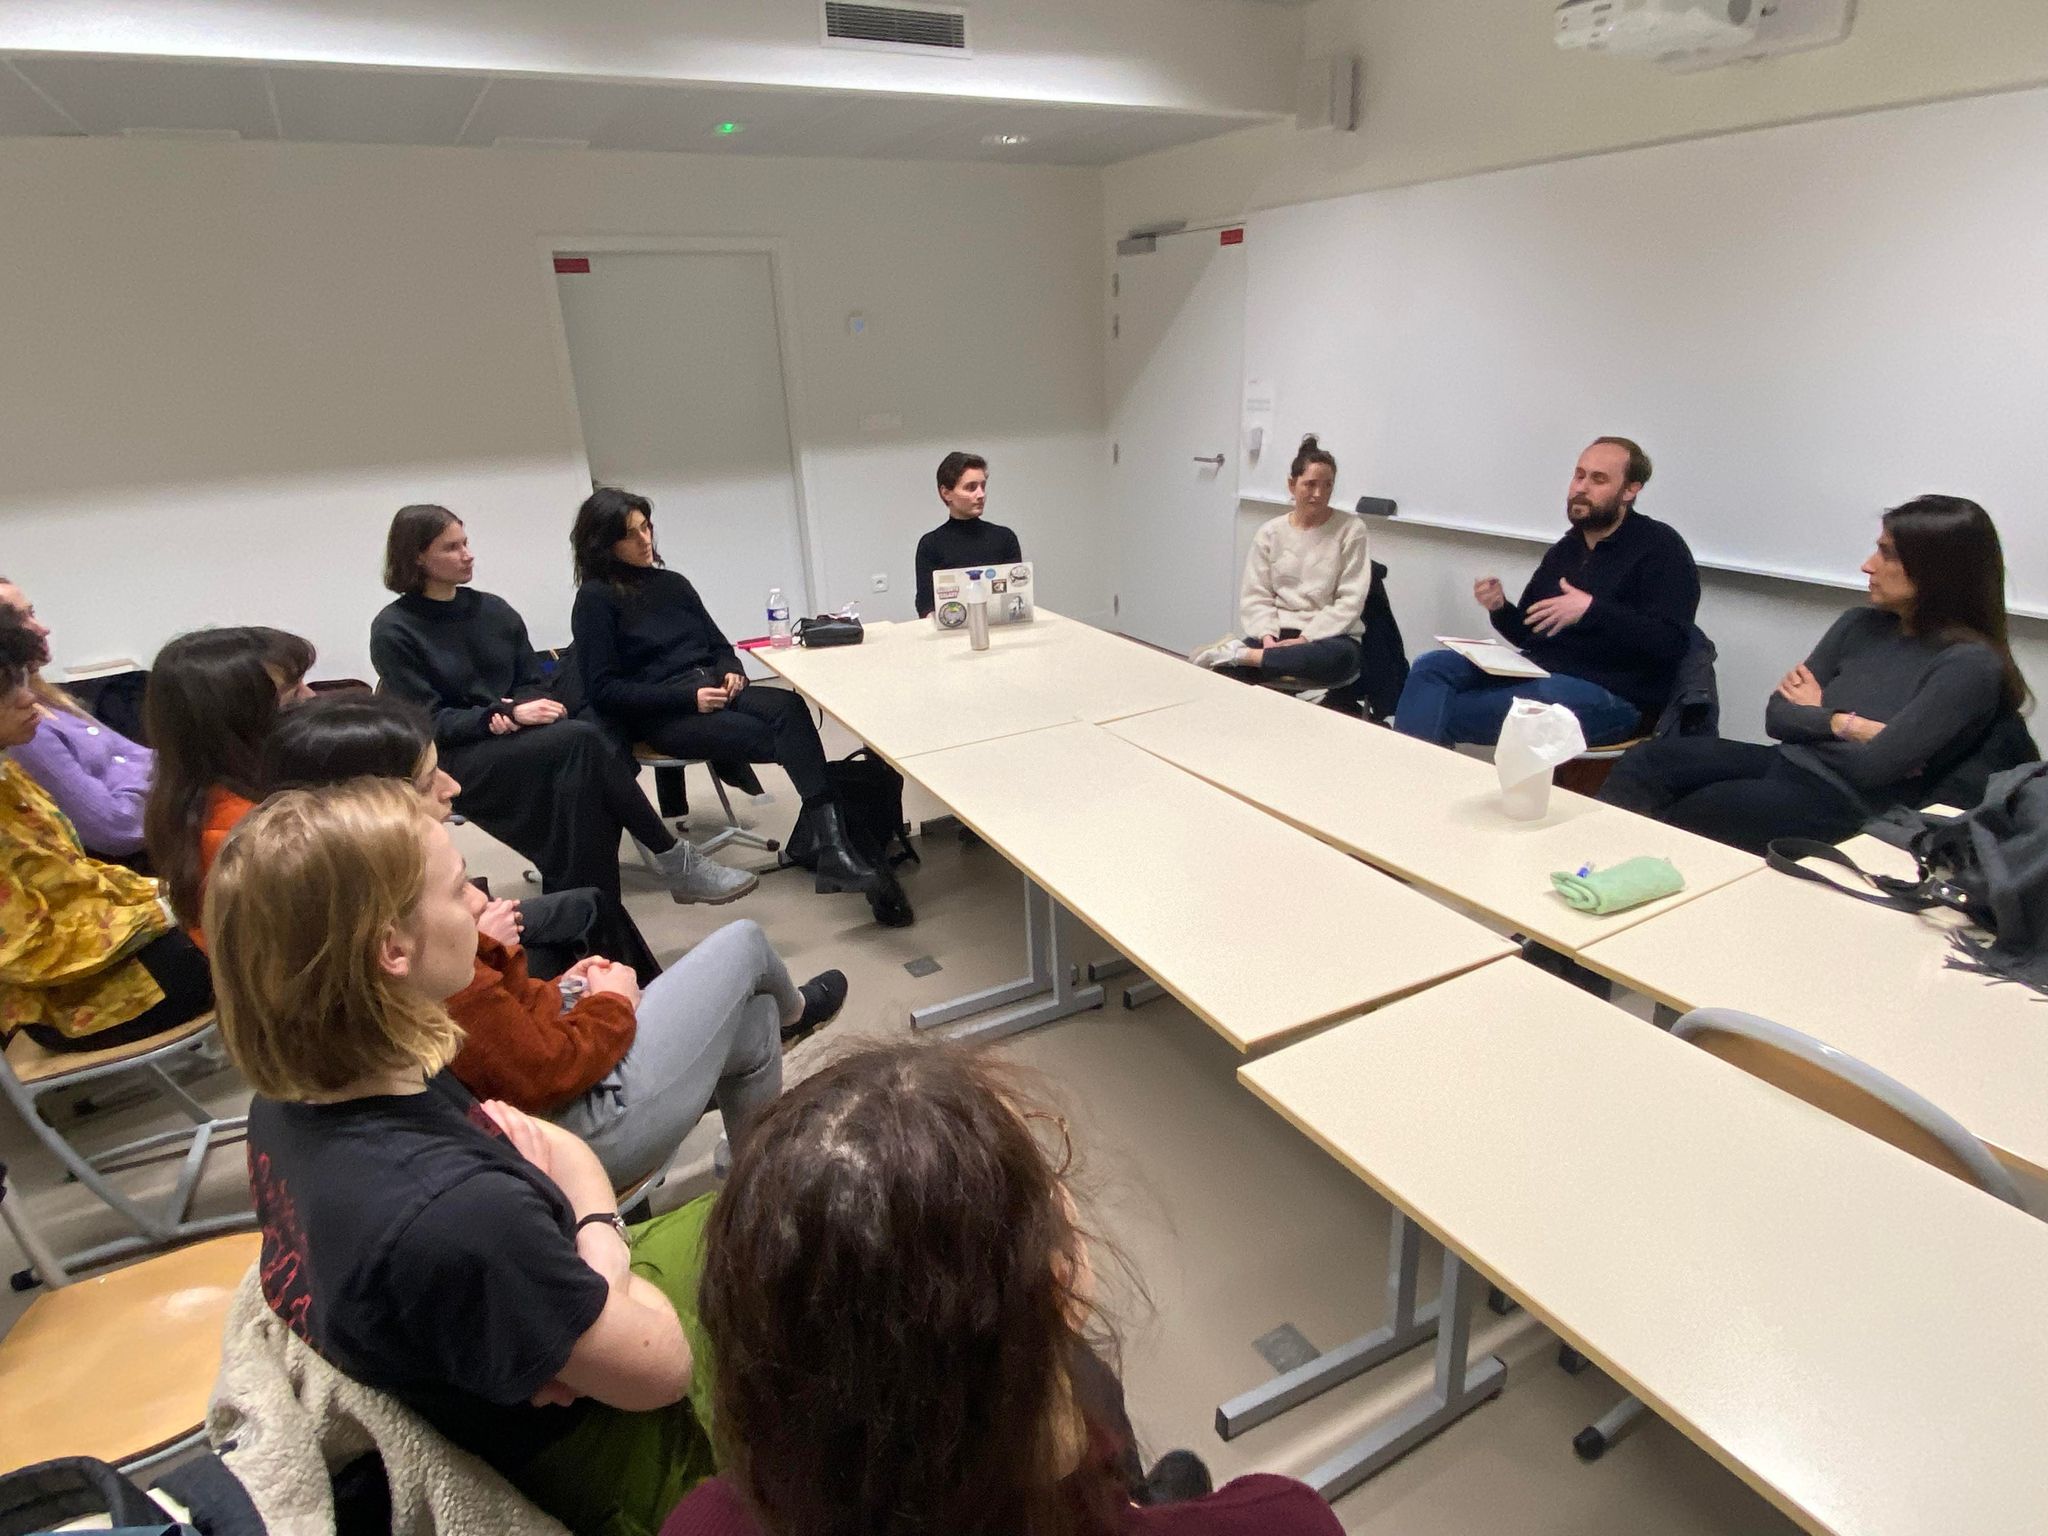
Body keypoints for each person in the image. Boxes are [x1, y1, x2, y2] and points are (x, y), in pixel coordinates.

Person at [211, 780, 725, 1536]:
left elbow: (558, 1148)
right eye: (460, 890)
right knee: (829, 1258)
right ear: (392, 949)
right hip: (615, 1460)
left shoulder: (299, 1101)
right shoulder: (453, 1216)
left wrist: (584, 1271)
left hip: (562, 1327)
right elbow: (662, 1369)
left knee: (779, 1212)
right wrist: (599, 1253)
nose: (481, 903)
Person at [662, 1041, 1341, 1536]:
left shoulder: (699, 1524)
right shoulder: (1285, 1522)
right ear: (1059, 1279)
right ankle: (1133, 1498)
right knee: (1097, 1395)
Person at [261, 693, 848, 1189]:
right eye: (425, 780)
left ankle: (754, 1175)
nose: (453, 786)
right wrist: (608, 1004)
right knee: (744, 944)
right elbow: (538, 1069)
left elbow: (500, 1033)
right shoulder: (417, 949)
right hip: (575, 1131)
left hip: (547, 1101)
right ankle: (792, 1028)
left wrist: (559, 992)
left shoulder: (335, 918)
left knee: (753, 1017)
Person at [369, 503, 753, 908]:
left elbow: (534, 681)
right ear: (416, 557)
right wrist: (495, 717)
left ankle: (588, 910)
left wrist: (528, 706)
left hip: (520, 738)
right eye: (451, 548)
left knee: (584, 783)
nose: (467, 554)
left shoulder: (494, 610)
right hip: (456, 757)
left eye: (465, 542)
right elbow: (423, 722)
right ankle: (672, 859)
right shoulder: (394, 630)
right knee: (583, 743)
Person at [1601, 497, 2032, 852]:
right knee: (1648, 760)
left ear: (1937, 571)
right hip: (1786, 762)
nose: (1868, 565)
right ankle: (1583, 881)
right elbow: (1776, 717)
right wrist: (1850, 725)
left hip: (1846, 801)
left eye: (1887, 554)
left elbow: (1876, 770)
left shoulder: (1969, 664)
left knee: (1698, 813)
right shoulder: (1858, 624)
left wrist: (1817, 714)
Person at [570, 488, 880, 898]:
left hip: (713, 689)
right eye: (631, 534)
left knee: (789, 706)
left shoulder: (673, 584)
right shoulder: (595, 600)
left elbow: (719, 646)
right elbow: (604, 690)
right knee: (790, 741)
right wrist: (688, 700)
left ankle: (831, 848)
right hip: (667, 714)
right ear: (604, 544)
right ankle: (826, 846)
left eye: (647, 527)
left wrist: (733, 672)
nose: (646, 540)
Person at [1394, 437, 1700, 748]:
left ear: (1630, 490)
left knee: (1442, 712)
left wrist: (1592, 610)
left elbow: (1671, 642)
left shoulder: (1661, 548)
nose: (1581, 488)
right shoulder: (1567, 549)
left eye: (1598, 479)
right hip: (1540, 671)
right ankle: (1416, 780)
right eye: (1579, 475)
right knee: (1432, 666)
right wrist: (1500, 608)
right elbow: (1530, 633)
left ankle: (1411, 784)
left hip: (1613, 696)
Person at [0, 616, 213, 1053]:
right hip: (70, 1003)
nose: (30, 701)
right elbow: (31, 954)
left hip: (105, 961)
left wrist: (164, 894)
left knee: (253, 908)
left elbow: (77, 874)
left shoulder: (7, 775)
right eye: (6, 691)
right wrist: (163, 913)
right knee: (265, 937)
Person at [143, 625, 317, 941]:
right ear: (240, 725)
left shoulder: (193, 799)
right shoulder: (254, 834)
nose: (313, 699)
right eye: (293, 696)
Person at [1189, 435, 1370, 691]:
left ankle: (1241, 654)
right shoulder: (1270, 533)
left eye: (1328, 485)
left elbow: (1350, 600)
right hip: (1276, 633)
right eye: (1310, 484)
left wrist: (1307, 638)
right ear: (1292, 485)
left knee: (1340, 659)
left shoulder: (1352, 529)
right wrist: (1267, 637)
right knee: (1221, 679)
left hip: (1330, 637)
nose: (1319, 494)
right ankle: (1246, 659)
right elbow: (1257, 594)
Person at [0, 575, 152, 860]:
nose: (41, 629)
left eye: (32, 613)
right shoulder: (27, 735)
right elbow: (116, 829)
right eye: (17, 620)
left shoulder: (47, 699)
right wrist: (170, 786)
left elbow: (143, 756)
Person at [914, 452, 1023, 620]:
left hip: (1002, 632)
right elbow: (925, 604)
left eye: (983, 486)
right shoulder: (931, 544)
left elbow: (1017, 594)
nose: (981, 495)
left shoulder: (1005, 538)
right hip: (951, 635)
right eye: (971, 487)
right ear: (946, 493)